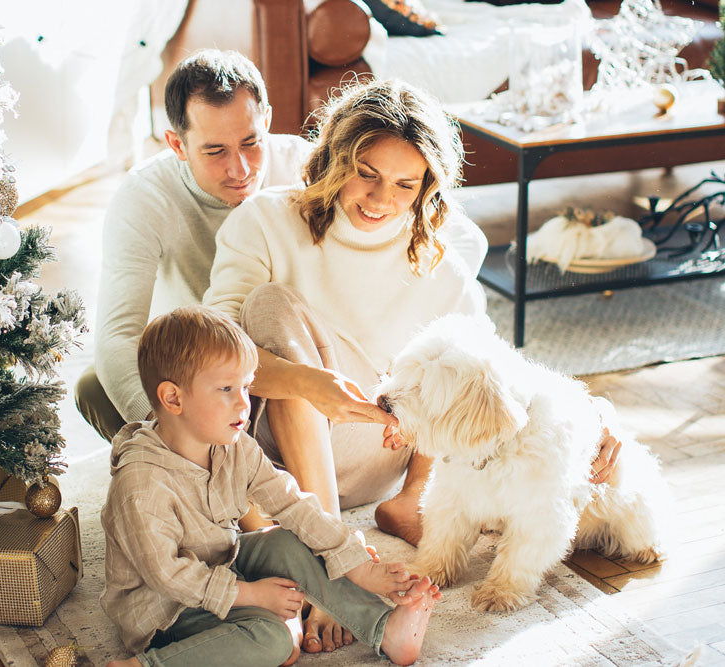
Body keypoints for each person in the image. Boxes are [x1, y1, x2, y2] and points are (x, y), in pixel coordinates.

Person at [204, 78, 622, 620]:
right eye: (367, 175)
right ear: (332, 158)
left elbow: (495, 375)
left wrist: (593, 412)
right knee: (266, 307)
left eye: (406, 185)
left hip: (379, 441)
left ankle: (408, 501)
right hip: (267, 444)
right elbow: (209, 359)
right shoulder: (263, 220)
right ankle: (334, 550)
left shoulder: (441, 264)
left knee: (447, 361)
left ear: (427, 187)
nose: (382, 200)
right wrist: (307, 384)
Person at [76, 49, 488, 444]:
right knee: (95, 387)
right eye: (215, 151)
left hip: (292, 349)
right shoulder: (144, 197)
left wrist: (404, 306)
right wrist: (168, 433)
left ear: (267, 121)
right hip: (203, 356)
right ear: (177, 144)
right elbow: (118, 334)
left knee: (273, 311)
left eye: (251, 142)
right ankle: (185, 466)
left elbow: (461, 236)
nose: (240, 169)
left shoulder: (311, 165)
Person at [100, 305, 441, 667]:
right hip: (166, 610)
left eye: (246, 386)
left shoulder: (231, 445)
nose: (243, 403)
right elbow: (168, 576)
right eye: (227, 388)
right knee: (272, 640)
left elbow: (293, 504)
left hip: (222, 563)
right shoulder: (141, 483)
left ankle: (384, 628)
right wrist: (250, 594)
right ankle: (145, 665)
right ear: (173, 398)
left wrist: (357, 565)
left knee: (288, 539)